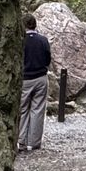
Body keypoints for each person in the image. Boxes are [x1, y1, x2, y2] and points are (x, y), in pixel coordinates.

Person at [19, 13, 51, 151]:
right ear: (35, 24)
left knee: (22, 109)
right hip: (41, 78)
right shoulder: (43, 40)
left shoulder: (20, 41)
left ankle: (21, 141)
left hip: (25, 79)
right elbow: (48, 59)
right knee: (38, 110)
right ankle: (34, 142)